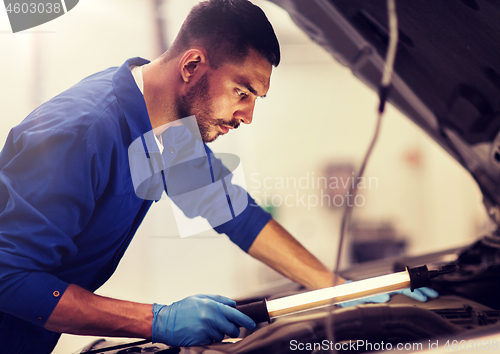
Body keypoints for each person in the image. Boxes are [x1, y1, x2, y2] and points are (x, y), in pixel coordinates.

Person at [0, 0, 436, 352]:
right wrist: (158, 320)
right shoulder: (81, 132)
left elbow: (233, 213)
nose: (247, 116)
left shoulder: (166, 131)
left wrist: (337, 289)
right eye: (241, 92)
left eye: (255, 98)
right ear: (192, 66)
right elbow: (9, 278)